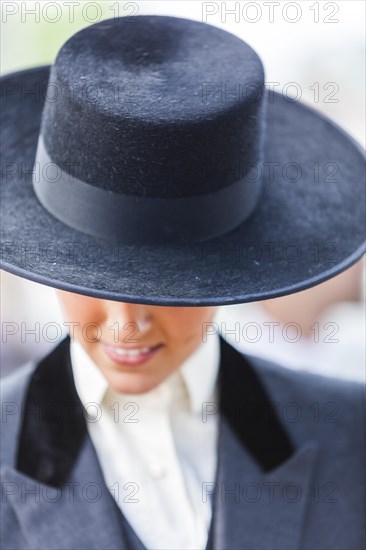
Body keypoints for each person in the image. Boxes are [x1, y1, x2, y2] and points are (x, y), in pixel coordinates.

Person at [1, 15, 365, 550]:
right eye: (91, 278)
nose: (127, 325)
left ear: (226, 268)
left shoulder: (352, 436)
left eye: (166, 286)